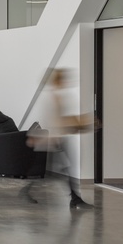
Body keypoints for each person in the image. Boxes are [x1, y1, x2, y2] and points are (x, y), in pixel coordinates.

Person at [26, 69, 96, 209]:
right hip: (57, 139)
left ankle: (75, 198)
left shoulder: (57, 96)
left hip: (61, 138)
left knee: (65, 169)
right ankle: (27, 191)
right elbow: (54, 120)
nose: (65, 82)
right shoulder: (52, 98)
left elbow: (62, 119)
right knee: (56, 170)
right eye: (62, 79)